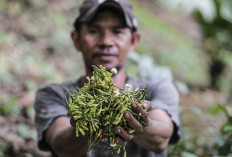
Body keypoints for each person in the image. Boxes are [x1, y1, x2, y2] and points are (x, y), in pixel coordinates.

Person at [34, 0, 180, 157]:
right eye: (94, 31)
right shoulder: (53, 94)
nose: (106, 42)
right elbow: (61, 146)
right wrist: (89, 120)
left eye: (117, 32)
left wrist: (137, 120)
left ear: (133, 41)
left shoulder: (157, 89)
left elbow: (160, 138)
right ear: (76, 40)